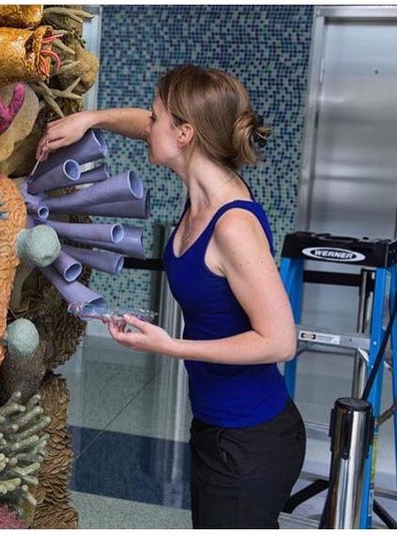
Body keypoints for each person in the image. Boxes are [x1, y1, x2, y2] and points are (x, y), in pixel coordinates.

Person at [37, 64, 306, 529]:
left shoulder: (232, 224)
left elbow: (280, 342)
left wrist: (170, 346)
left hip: (249, 438)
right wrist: (91, 119)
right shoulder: (202, 189)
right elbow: (140, 125)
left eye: (156, 116)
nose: (147, 124)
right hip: (217, 425)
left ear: (184, 134)